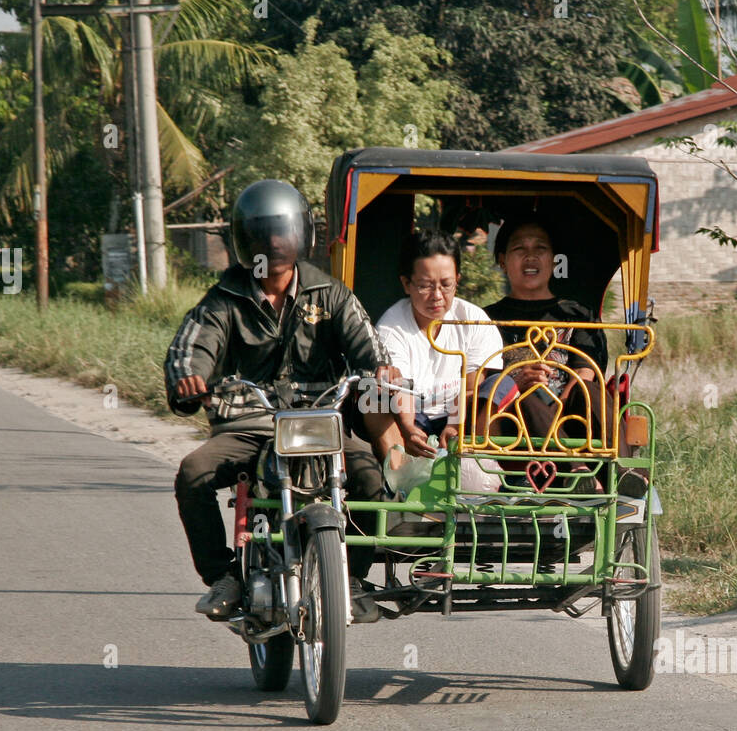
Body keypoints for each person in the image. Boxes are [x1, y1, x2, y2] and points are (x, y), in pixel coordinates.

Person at [166, 179, 412, 620]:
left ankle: (351, 578)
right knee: (193, 473)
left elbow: (368, 346)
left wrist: (381, 368)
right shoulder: (224, 300)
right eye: (263, 233)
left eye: (283, 231)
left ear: (302, 235)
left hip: (321, 423)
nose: (274, 242)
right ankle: (224, 576)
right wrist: (189, 377)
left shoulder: (331, 295)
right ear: (247, 240)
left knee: (371, 480)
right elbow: (192, 347)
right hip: (251, 423)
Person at [372, 230, 515, 466]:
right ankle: (399, 480)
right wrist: (408, 429)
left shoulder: (474, 319)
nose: (437, 296)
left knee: (501, 384)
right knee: (370, 397)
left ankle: (485, 468)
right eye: (426, 286)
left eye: (446, 285)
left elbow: (472, 387)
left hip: (460, 414)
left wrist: (454, 423)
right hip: (412, 415)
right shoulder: (391, 327)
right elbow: (400, 389)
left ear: (457, 280)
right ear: (406, 284)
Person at [484, 214, 611, 457]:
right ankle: (577, 472)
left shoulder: (579, 314)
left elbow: (585, 372)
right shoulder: (484, 318)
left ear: (554, 260)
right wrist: (518, 382)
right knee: (529, 398)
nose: (530, 256)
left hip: (572, 416)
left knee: (590, 390)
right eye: (520, 248)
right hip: (513, 419)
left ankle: (627, 474)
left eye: (540, 248)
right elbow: (483, 383)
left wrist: (559, 405)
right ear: (502, 260)